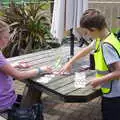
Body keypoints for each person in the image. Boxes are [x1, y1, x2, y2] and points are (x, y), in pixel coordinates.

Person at [59, 9, 120, 120]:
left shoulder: (106, 45)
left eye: (87, 32)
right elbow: (86, 50)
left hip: (114, 96)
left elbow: (118, 72)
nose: (86, 35)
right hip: (110, 91)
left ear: (94, 29)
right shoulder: (103, 37)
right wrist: (70, 63)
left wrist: (98, 80)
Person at [0, 20, 52, 112]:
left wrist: (14, 65)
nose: (9, 40)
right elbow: (18, 75)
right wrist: (40, 69)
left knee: (33, 102)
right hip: (5, 102)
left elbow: (2, 67)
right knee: (34, 106)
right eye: (6, 37)